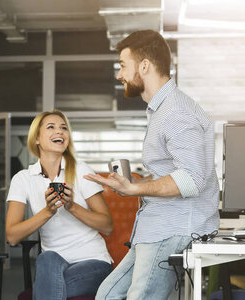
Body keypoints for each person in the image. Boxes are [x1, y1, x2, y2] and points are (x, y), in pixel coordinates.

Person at [84, 30, 219, 300]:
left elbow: (191, 179)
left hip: (172, 229)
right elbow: (173, 172)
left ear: (144, 66)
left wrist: (135, 190)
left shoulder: (176, 112)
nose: (119, 75)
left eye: (123, 65)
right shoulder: (162, 110)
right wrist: (133, 185)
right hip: (154, 229)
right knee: (107, 295)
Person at [6, 110, 114, 300]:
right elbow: (12, 236)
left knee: (44, 291)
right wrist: (47, 212)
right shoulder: (23, 179)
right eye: (51, 127)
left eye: (64, 128)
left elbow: (107, 225)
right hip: (53, 263)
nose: (60, 132)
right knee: (47, 258)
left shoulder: (81, 171)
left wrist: (72, 207)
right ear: (37, 138)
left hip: (94, 261)